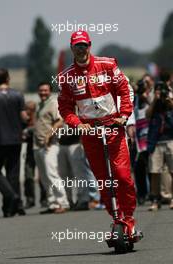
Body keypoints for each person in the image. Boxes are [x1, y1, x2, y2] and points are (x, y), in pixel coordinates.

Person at [58, 31, 139, 237]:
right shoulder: (66, 77)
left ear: (90, 46)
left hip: (113, 127)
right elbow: (65, 107)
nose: (81, 49)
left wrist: (124, 115)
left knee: (121, 175)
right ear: (72, 48)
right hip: (90, 132)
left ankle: (128, 218)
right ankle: (116, 217)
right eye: (77, 46)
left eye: (84, 45)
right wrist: (77, 123)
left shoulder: (108, 64)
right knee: (103, 179)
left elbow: (125, 90)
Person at [33, 82, 69, 214]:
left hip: (50, 145)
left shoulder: (53, 103)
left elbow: (60, 121)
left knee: (52, 174)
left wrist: (49, 135)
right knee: (44, 177)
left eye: (45, 90)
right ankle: (52, 203)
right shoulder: (40, 105)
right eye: (41, 90)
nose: (43, 93)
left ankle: (63, 202)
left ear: (50, 91)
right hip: (37, 145)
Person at [0, 68, 28, 216]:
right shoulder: (17, 95)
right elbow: (24, 116)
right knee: (13, 172)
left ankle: (11, 197)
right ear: (8, 79)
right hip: (16, 139)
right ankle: (14, 207)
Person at [146, 81, 173, 211]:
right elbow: (147, 116)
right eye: (158, 90)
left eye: (162, 90)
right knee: (154, 171)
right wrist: (155, 101)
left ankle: (172, 198)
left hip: (170, 140)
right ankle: (155, 199)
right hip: (155, 141)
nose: (160, 92)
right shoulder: (154, 104)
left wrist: (169, 101)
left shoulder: (169, 101)